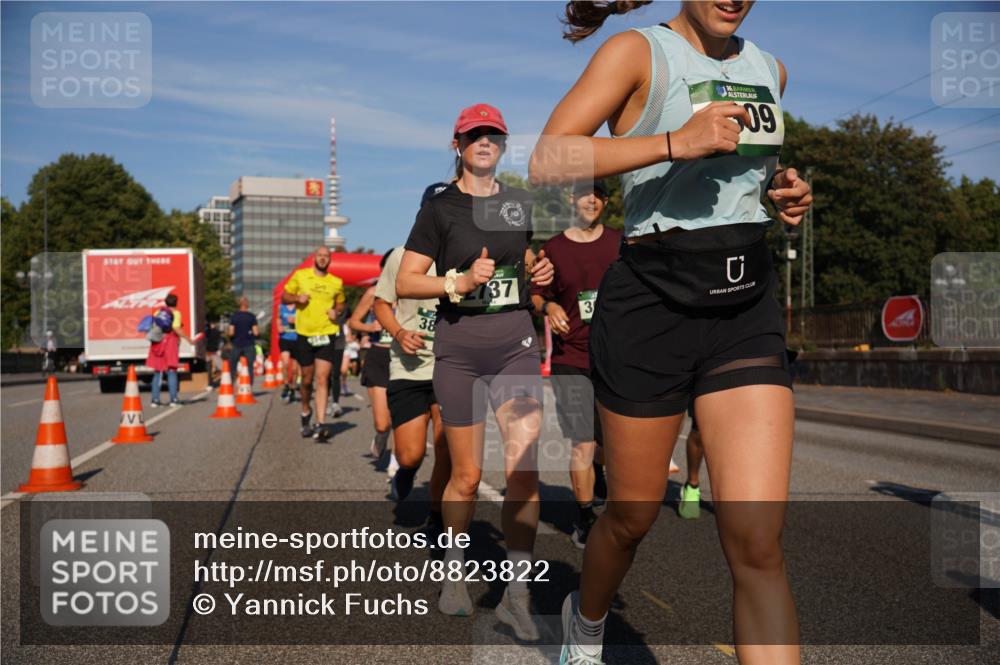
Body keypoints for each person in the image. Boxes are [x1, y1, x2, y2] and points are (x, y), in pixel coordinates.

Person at [529, 3, 814, 664]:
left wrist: (782, 188)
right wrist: (673, 142)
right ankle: (588, 621)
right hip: (652, 311)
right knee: (631, 516)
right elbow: (548, 157)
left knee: (758, 542)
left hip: (745, 309)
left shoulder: (770, 68)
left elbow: (744, 173)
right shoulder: (636, 53)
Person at [396, 103, 554, 639]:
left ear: (503, 145)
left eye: (494, 134)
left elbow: (527, 264)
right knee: (464, 476)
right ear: (457, 145)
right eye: (474, 135)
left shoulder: (518, 204)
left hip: (515, 345)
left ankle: (516, 592)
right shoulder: (440, 209)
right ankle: (456, 571)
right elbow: (407, 281)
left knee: (523, 469)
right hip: (459, 349)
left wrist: (541, 273)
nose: (485, 141)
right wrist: (456, 284)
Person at [530, 180, 621, 549]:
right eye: (586, 194)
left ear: (605, 202)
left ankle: (598, 473)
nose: (592, 201)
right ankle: (584, 517)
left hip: (617, 358)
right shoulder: (553, 248)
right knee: (582, 443)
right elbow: (536, 293)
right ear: (571, 199)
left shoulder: (621, 241)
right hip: (571, 358)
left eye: (599, 195)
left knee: (610, 443)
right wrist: (548, 306)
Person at [373, 186, 451, 513]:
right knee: (410, 454)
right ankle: (405, 470)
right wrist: (400, 332)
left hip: (451, 368)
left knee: (449, 452)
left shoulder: (467, 257)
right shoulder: (400, 256)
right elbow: (381, 304)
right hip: (408, 366)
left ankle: (438, 519)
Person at [283, 246, 346, 442]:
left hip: (326, 333)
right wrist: (296, 298)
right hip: (304, 333)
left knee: (322, 378)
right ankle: (305, 411)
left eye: (326, 256)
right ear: (314, 258)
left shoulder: (336, 282)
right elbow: (284, 296)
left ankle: (320, 423)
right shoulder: (300, 276)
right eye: (320, 255)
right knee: (307, 379)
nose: (323, 258)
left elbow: (341, 304)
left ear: (330, 260)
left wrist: (337, 312)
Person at [349, 255, 394, 470]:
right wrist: (371, 328)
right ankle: (381, 436)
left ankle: (398, 463)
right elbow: (354, 322)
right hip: (378, 357)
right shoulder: (373, 292)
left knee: (402, 416)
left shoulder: (411, 293)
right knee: (382, 422)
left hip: (404, 357)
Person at [147, 293, 192, 407]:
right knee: (171, 371)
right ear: (176, 303)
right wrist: (188, 338)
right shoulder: (176, 313)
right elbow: (176, 327)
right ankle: (173, 399)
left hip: (157, 342)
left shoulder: (158, 312)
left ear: (165, 302)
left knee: (158, 371)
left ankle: (155, 400)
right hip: (170, 343)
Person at [227, 298, 259, 386]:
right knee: (250, 366)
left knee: (232, 365)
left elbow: (231, 332)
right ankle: (249, 386)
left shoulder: (234, 316)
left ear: (239, 304)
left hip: (236, 343)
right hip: (249, 343)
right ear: (247, 305)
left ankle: (232, 383)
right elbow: (256, 332)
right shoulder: (251, 317)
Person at [277, 303, 299, 403]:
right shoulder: (281, 307)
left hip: (296, 340)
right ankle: (286, 385)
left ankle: (293, 389)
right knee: (285, 363)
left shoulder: (299, 307)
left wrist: (296, 322)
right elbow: (278, 323)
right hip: (285, 339)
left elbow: (305, 323)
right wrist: (280, 325)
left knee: (294, 369)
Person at [204, 322, 223, 388]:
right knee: (222, 367)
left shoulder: (206, 332)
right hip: (214, 352)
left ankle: (210, 382)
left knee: (209, 368)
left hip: (208, 352)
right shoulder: (217, 332)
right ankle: (216, 380)